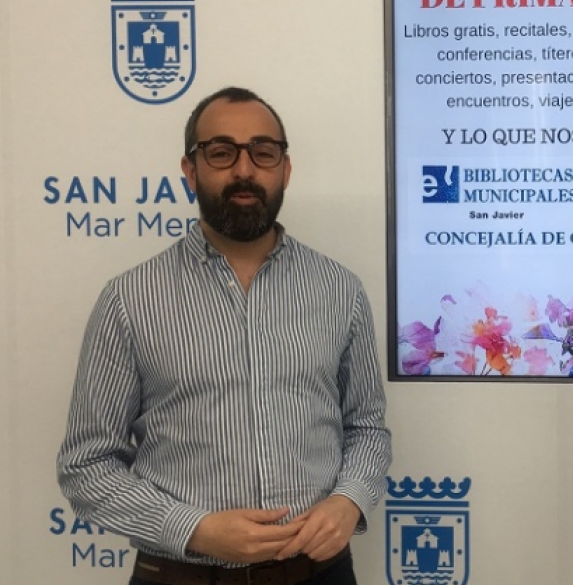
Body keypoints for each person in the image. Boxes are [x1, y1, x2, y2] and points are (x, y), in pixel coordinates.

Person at [57, 87, 392, 585]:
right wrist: (192, 529)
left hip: (320, 574)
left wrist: (349, 499)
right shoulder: (129, 300)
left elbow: (366, 428)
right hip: (181, 577)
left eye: (263, 152)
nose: (244, 169)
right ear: (191, 170)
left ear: (285, 169)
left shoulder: (339, 289)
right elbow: (87, 464)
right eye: (221, 152)